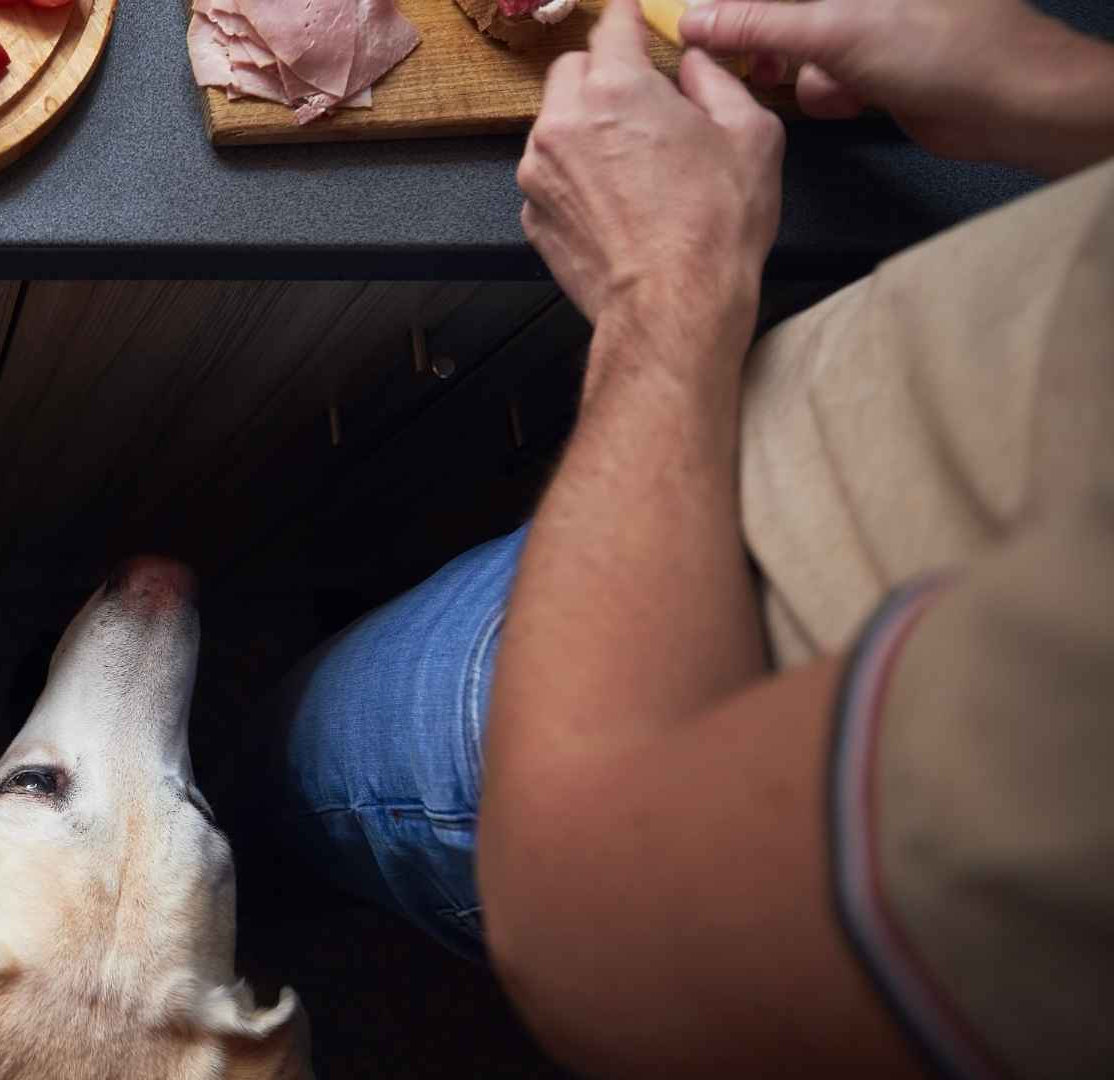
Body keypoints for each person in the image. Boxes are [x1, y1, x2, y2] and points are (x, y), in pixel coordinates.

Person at [260, 0, 1114, 1073]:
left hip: (656, 713)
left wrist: (660, 292)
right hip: (766, 456)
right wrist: (1065, 90)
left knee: (307, 738)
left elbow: (593, 931)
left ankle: (250, 840)